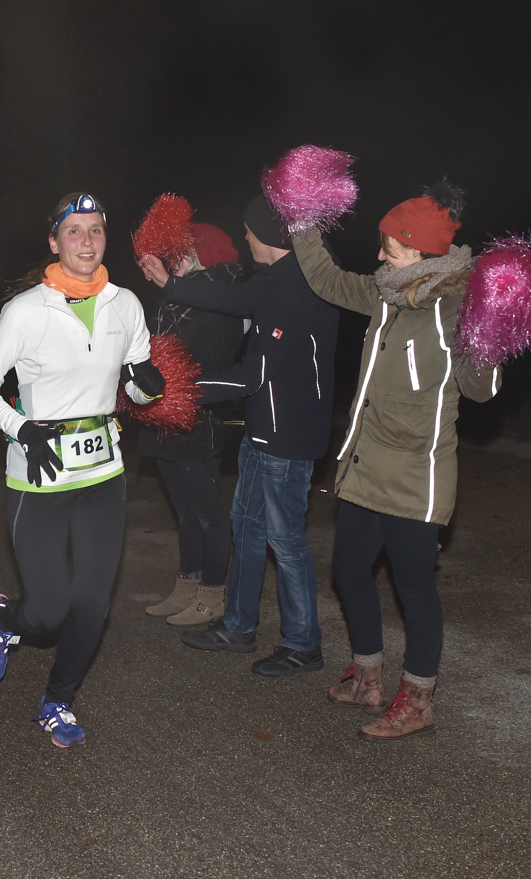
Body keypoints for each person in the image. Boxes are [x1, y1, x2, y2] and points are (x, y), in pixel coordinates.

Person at [290, 181, 501, 740]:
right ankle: (367, 676)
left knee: (414, 588)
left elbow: (482, 391)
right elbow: (327, 279)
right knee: (349, 571)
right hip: (366, 467)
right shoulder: (386, 293)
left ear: (423, 251)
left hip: (417, 476)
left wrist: (492, 334)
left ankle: (420, 698)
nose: (380, 256)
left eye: (392, 247)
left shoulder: (457, 308)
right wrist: (300, 218)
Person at [0, 193, 164, 747]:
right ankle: (5, 620)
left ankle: (59, 701)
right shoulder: (27, 309)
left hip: (103, 473)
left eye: (95, 230)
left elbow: (131, 379)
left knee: (93, 604)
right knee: (48, 612)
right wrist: (21, 429)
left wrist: (142, 388)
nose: (85, 241)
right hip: (39, 475)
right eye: (73, 231)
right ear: (54, 242)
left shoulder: (125, 304)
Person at [141, 195, 339, 677]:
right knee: (246, 529)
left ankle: (302, 644)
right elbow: (230, 299)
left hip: (288, 438)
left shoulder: (300, 289)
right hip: (262, 432)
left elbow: (253, 374)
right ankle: (238, 625)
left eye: (250, 232)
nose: (245, 239)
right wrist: (172, 284)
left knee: (285, 541)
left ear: (268, 237)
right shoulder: (276, 280)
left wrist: (176, 392)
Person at [140, 224, 246, 629]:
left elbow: (209, 358)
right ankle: (188, 583)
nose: (174, 261)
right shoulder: (175, 299)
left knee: (207, 513)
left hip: (199, 417)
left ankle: (213, 594)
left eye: (183, 254)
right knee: (184, 512)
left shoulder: (219, 301)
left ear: (205, 255)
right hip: (165, 415)